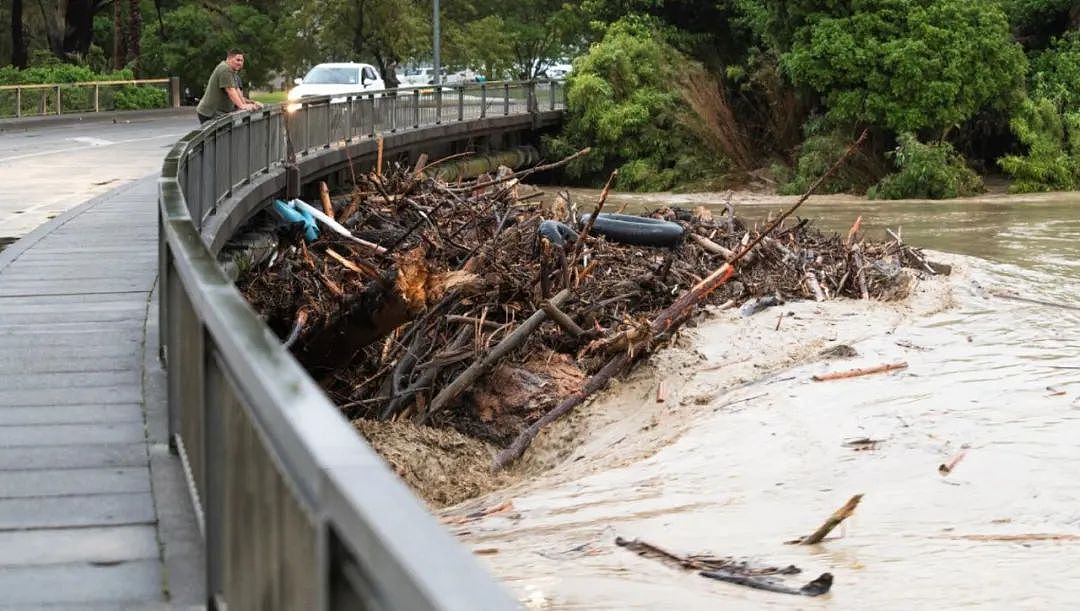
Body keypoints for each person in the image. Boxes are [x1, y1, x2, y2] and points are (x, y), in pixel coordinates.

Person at [196, 49, 262, 124]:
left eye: (242, 61)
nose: (240, 63)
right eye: (237, 60)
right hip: (210, 113)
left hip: (219, 113)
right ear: (229, 59)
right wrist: (242, 106)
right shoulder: (225, 69)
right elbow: (230, 90)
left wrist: (249, 104)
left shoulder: (232, 71)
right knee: (221, 134)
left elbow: (237, 91)